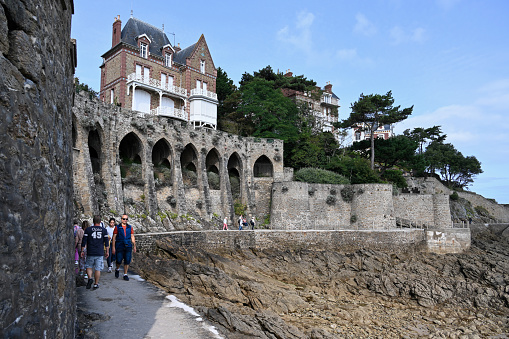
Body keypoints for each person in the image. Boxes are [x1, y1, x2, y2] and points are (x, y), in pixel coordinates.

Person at [81, 215, 109, 290]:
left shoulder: (88, 230)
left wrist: (82, 250)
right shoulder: (104, 230)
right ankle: (96, 284)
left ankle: (90, 278)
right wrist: (107, 251)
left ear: (93, 221)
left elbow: (84, 241)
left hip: (90, 251)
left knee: (88, 266)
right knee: (97, 268)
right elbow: (106, 242)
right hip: (99, 252)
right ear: (100, 222)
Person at [112, 214, 136, 281]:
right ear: (121, 219)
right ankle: (117, 269)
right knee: (119, 260)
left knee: (127, 260)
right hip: (120, 245)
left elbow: (132, 236)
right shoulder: (117, 227)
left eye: (126, 219)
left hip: (128, 245)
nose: (125, 220)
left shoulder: (130, 227)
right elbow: (114, 238)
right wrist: (113, 247)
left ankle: (125, 274)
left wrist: (134, 245)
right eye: (123, 219)